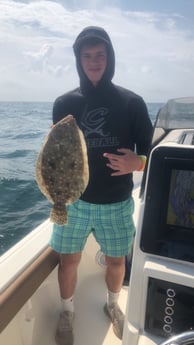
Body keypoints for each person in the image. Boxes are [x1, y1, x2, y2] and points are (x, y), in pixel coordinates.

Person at [50, 26, 153, 345]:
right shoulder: (63, 102)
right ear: (79, 60)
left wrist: (138, 163)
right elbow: (54, 156)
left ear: (109, 58)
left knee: (117, 260)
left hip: (117, 201)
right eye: (87, 56)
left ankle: (112, 305)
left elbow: (154, 152)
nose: (94, 61)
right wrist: (57, 196)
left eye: (100, 55)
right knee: (68, 261)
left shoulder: (131, 102)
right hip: (73, 202)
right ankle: (67, 312)